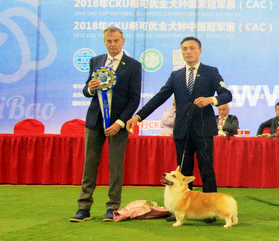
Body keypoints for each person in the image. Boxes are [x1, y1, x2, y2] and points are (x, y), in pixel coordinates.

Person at [127, 36, 232, 194]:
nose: (188, 52)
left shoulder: (210, 72)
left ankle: (210, 205)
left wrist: (210, 100)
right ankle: (183, 205)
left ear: (200, 51)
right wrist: (138, 117)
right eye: (184, 49)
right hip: (182, 130)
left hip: (203, 129)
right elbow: (159, 97)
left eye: (192, 48)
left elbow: (227, 95)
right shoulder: (176, 75)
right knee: (183, 171)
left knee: (206, 169)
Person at [70, 27, 142, 222]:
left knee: (115, 166)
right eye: (109, 41)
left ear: (123, 41)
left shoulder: (133, 65)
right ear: (104, 42)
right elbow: (86, 91)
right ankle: (83, 208)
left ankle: (112, 208)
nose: (113, 44)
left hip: (118, 124)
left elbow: (134, 99)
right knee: (89, 164)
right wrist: (90, 88)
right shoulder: (96, 61)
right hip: (94, 121)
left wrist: (120, 123)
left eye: (116, 41)